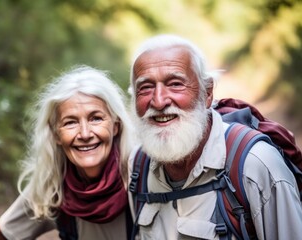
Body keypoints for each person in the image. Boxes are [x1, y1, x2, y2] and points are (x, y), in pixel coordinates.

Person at [127, 34, 302, 239]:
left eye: (175, 84)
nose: (158, 101)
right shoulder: (138, 164)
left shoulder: (256, 165)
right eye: (145, 87)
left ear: (207, 93)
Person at [0, 65, 135, 240]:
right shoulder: (53, 185)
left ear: (115, 126)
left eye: (96, 118)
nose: (85, 134)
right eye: (70, 122)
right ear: (56, 134)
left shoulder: (142, 178)